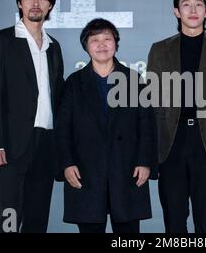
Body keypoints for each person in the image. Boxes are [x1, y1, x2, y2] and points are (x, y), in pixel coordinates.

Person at [147, 0, 206, 233]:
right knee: (174, 221)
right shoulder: (159, 50)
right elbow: (152, 104)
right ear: (176, 12)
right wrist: (152, 150)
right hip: (170, 144)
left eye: (199, 4)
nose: (193, 9)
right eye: (186, 4)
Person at [56, 18, 157, 233]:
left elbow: (146, 125)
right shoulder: (73, 83)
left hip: (127, 168)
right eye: (95, 40)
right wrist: (67, 163)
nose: (102, 45)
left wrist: (144, 161)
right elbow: (63, 129)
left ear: (116, 44)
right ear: (86, 46)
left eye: (107, 39)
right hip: (86, 171)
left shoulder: (134, 79)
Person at [0, 0, 64, 232]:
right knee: (9, 214)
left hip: (46, 144)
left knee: (38, 218)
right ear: (19, 3)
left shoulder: (54, 47)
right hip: (11, 145)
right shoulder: (1, 41)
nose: (35, 3)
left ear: (50, 5)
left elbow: (57, 96)